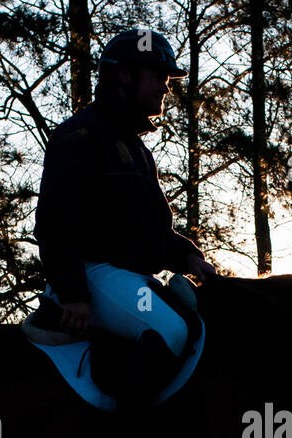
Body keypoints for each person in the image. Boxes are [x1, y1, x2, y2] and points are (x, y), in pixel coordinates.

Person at [33, 28, 215, 399]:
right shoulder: (78, 136)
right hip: (90, 273)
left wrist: (187, 255)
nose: (166, 88)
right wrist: (73, 294)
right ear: (125, 75)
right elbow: (55, 222)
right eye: (159, 77)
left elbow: (151, 230)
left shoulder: (136, 149)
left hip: (124, 276)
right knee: (174, 332)